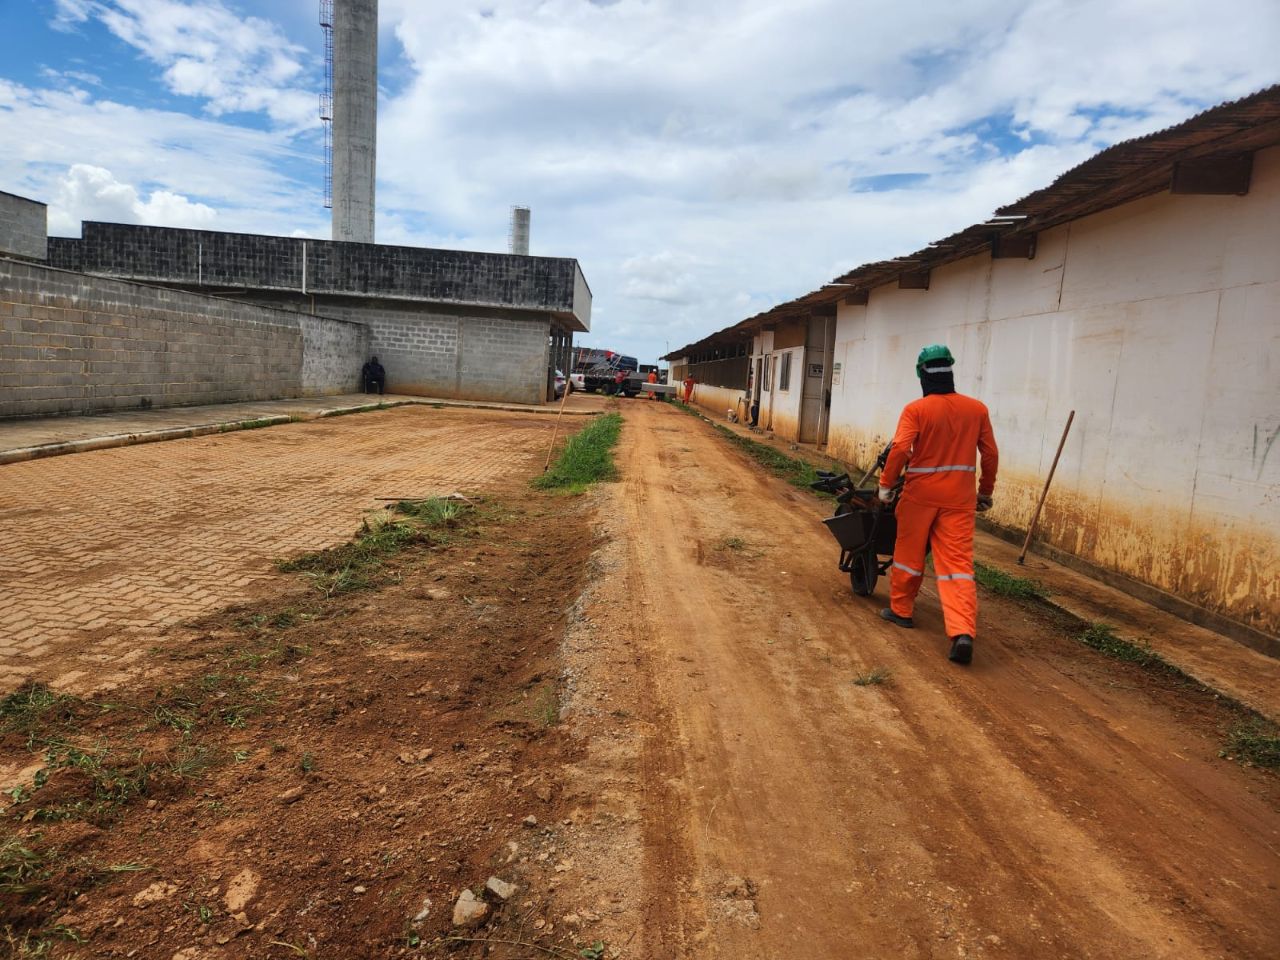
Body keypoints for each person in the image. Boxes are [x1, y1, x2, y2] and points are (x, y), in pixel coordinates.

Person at [876, 344, 998, 665]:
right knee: (957, 566)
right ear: (951, 372)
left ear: (922, 375)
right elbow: (990, 454)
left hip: (919, 498)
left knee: (908, 555)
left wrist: (886, 485)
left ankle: (902, 611)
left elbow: (900, 448)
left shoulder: (916, 410)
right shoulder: (977, 409)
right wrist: (984, 491)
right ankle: (962, 632)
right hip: (959, 501)